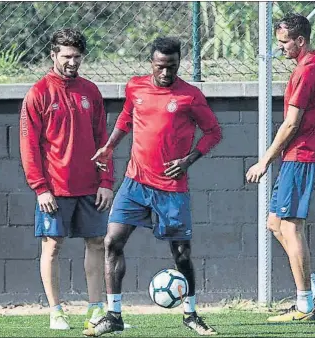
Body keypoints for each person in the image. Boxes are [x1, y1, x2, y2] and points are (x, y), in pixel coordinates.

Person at [83, 36, 222, 336]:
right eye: (161, 66)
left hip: (171, 188)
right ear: (152, 63)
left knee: (181, 253)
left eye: (172, 67)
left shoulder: (190, 96)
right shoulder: (135, 86)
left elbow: (213, 132)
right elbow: (126, 117)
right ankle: (114, 314)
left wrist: (188, 160)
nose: (166, 73)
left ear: (178, 64)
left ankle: (190, 314)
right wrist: (108, 147)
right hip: (135, 183)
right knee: (112, 242)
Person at [20, 28, 114, 330]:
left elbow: (104, 139)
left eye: (77, 56)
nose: (72, 62)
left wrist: (106, 182)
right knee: (53, 246)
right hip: (54, 189)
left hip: (90, 186)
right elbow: (29, 146)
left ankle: (97, 309)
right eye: (66, 56)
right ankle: (56, 311)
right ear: (53, 54)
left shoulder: (91, 91)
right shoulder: (39, 93)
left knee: (97, 243)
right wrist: (40, 188)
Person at [246, 14, 315, 321]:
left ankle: (304, 305)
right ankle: (312, 290)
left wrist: (264, 160)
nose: (279, 47)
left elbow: (291, 123)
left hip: (300, 156)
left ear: (300, 40)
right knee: (275, 223)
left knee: (290, 227)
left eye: (284, 42)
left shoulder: (306, 72)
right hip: (309, 156)